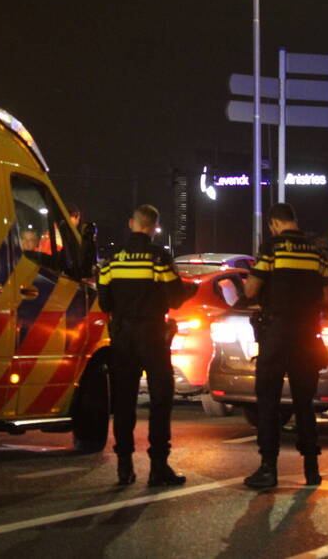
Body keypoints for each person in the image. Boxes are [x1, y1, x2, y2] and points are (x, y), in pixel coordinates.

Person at [97, 204, 193, 486]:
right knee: (161, 400)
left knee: (125, 402)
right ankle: (158, 467)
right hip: (152, 336)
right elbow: (175, 299)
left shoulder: (112, 260)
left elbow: (104, 302)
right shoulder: (159, 258)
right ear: (153, 227)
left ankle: (124, 467)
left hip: (123, 337)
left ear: (131, 224)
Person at [243, 203, 328, 489]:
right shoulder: (317, 251)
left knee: (268, 399)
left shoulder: (272, 248)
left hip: (277, 331)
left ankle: (268, 468)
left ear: (274, 224)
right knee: (304, 402)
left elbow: (251, 290)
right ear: (295, 220)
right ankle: (312, 468)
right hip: (307, 334)